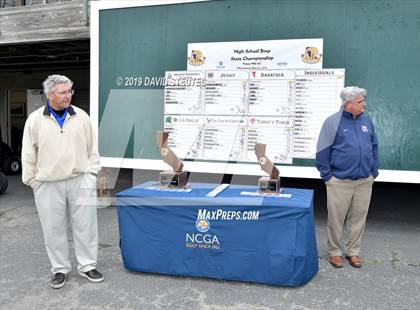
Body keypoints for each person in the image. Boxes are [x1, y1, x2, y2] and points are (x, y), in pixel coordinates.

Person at [21, 75, 103, 288]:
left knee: (86, 226)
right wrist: (33, 181)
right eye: (63, 92)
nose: (69, 96)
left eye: (70, 91)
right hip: (47, 183)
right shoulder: (35, 120)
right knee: (53, 228)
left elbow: (92, 148)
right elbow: (28, 153)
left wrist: (92, 174)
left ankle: (87, 266)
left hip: (80, 180)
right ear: (50, 95)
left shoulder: (82, 117)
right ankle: (60, 269)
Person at [316, 86, 379, 269]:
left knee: (358, 218)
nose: (364, 104)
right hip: (339, 182)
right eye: (360, 101)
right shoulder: (332, 122)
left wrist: (373, 172)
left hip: (364, 181)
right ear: (347, 103)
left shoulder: (366, 121)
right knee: (336, 220)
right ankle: (334, 253)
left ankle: (353, 252)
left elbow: (374, 147)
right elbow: (322, 152)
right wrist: (328, 177)